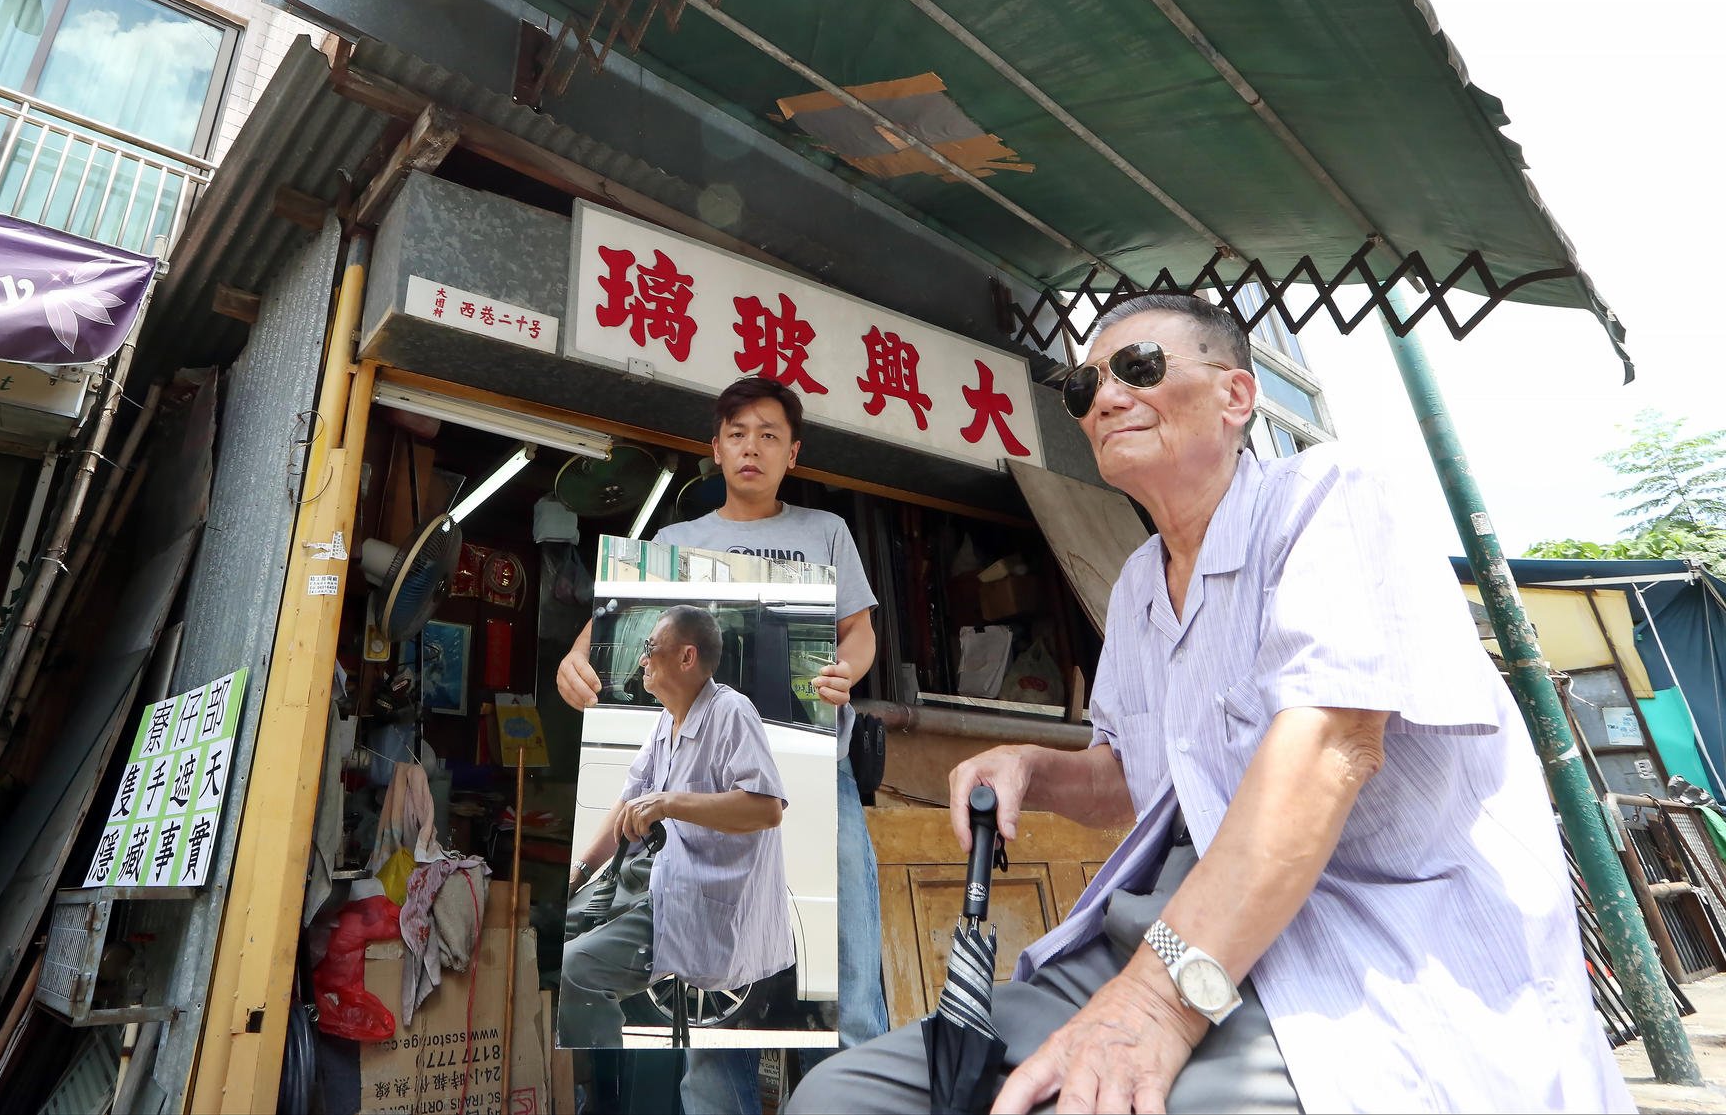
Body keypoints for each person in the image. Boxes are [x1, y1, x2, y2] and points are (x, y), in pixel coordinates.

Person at [788, 293, 1632, 1113]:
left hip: (1362, 931)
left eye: (1139, 366)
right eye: (1084, 389)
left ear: (1237, 394)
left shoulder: (1328, 494)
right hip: (1166, 923)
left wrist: (1152, 1006)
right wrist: (1032, 767)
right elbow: (1131, 777)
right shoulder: (1134, 587)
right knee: (842, 1092)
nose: (1105, 398)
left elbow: (1332, 748)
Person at [558, 376, 886, 1111]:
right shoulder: (676, 544)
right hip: (705, 812)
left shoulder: (824, 531)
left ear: (792, 451)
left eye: (769, 434)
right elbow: (609, 628)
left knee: (847, 987)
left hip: (817, 778)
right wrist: (575, 662)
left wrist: (847, 669)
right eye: (738, 433)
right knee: (711, 1029)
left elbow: (859, 629)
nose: (752, 447)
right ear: (715, 449)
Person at [559, 605, 792, 1048]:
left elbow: (767, 810)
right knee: (560, 925)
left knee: (578, 968)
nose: (642, 660)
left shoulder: (731, 713)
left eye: (649, 647)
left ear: (687, 657)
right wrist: (581, 872)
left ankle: (602, 1085)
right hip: (658, 884)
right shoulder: (666, 721)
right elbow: (630, 798)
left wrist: (670, 803)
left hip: (697, 904)